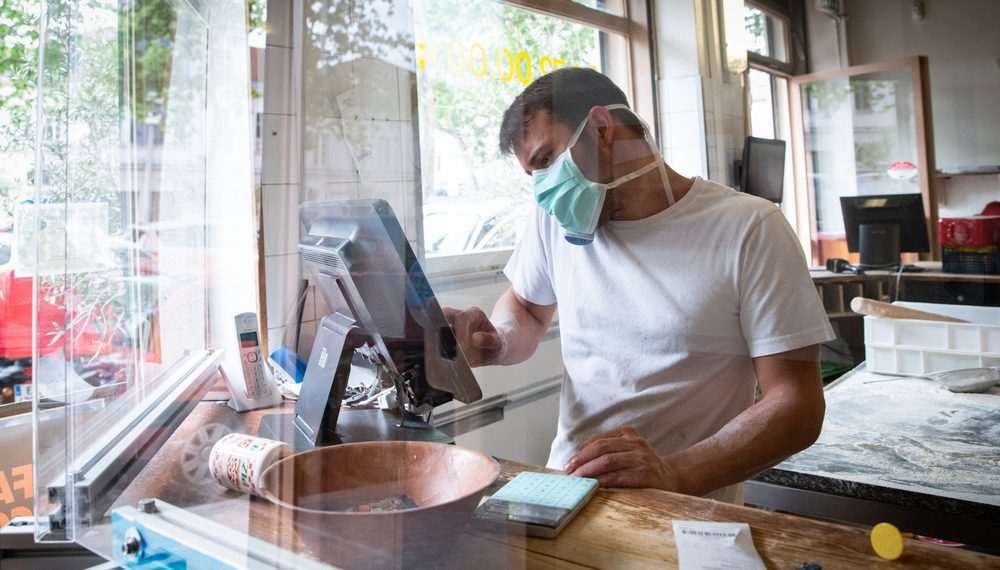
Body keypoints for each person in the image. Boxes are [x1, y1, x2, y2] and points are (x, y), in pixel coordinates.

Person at [444, 68, 834, 503]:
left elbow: (797, 404)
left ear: (602, 128)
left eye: (546, 161)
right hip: (565, 494)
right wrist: (496, 341)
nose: (542, 191)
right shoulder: (553, 223)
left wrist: (674, 473)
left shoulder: (750, 229)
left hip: (686, 510)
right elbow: (527, 308)